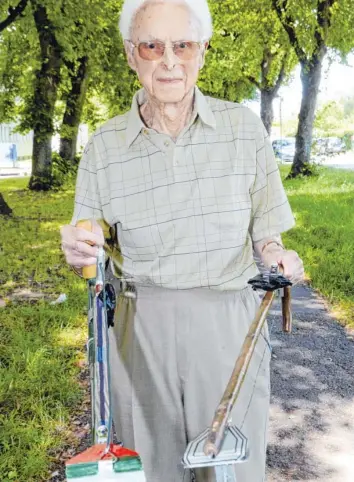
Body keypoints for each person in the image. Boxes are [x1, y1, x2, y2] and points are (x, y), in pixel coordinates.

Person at [60, 0, 304, 480]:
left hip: (229, 325)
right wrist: (78, 251)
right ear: (133, 54)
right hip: (138, 330)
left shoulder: (243, 129)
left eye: (183, 45)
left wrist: (278, 255)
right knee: (151, 467)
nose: (169, 61)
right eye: (153, 46)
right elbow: (88, 241)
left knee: (233, 467)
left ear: (203, 51)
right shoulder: (104, 145)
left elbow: (265, 232)